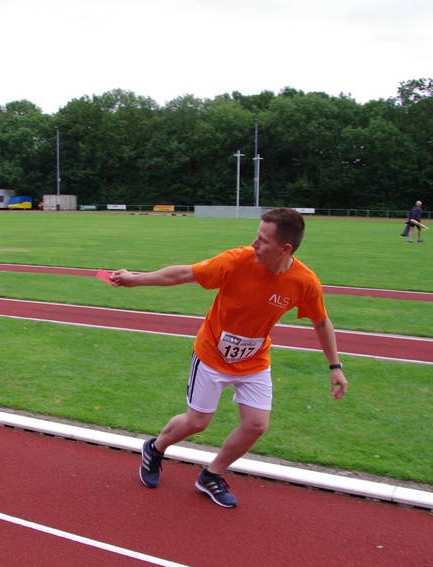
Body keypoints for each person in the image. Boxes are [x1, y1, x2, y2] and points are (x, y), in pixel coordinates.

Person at [110, 208, 347, 508]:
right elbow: (185, 273)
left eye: (262, 240)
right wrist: (136, 279)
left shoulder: (304, 282)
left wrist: (335, 366)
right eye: (256, 236)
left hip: (254, 360)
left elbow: (321, 322)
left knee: (256, 425)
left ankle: (211, 475)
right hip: (212, 354)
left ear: (285, 249)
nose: (254, 244)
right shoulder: (236, 261)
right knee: (197, 422)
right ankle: (155, 448)